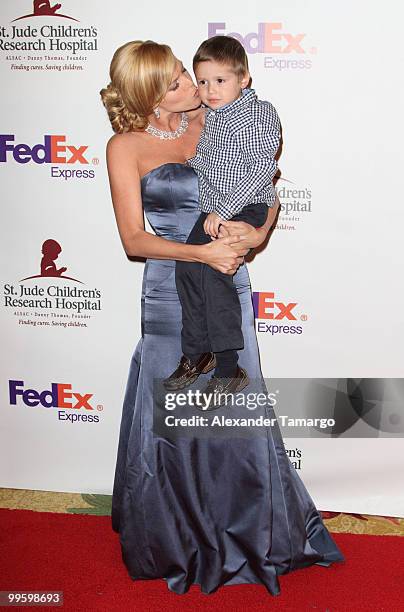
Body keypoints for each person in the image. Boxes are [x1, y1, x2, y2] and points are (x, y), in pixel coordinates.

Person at [100, 39, 345, 597]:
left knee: (235, 409)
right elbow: (135, 240)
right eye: (177, 81)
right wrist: (202, 253)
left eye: (188, 73)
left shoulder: (216, 116)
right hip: (169, 293)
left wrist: (256, 232)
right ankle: (179, 539)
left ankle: (254, 535)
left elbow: (266, 181)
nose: (191, 84)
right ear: (150, 95)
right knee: (179, 417)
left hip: (228, 278)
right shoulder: (126, 147)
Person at [164, 36, 281, 403]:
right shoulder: (214, 116)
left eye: (220, 80)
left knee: (215, 278)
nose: (209, 90)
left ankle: (230, 370)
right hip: (214, 209)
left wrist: (225, 209)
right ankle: (198, 353)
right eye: (202, 81)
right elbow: (217, 160)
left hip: (244, 207)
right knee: (186, 269)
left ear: (243, 78)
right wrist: (193, 165)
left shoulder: (258, 114)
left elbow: (261, 170)